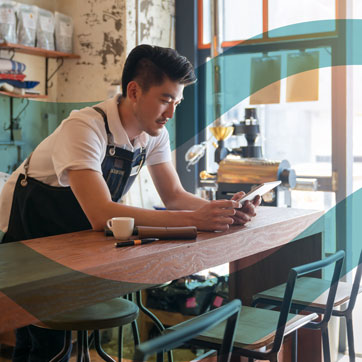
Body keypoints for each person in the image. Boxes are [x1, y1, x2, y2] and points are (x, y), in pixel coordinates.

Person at [0, 44, 259, 361]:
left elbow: (174, 196)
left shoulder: (153, 134)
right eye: (165, 99)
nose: (171, 113)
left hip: (71, 240)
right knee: (43, 344)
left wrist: (223, 212)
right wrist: (198, 219)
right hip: (28, 238)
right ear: (134, 91)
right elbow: (101, 214)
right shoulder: (84, 127)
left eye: (177, 102)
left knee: (49, 343)